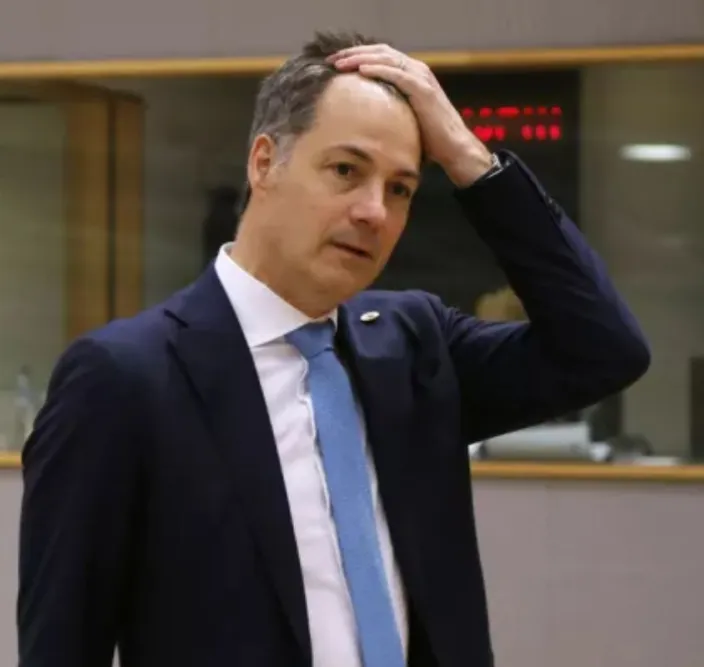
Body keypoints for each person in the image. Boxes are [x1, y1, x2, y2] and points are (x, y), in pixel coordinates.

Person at [17, 32, 649, 667]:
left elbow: (603, 348)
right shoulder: (126, 379)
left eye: (400, 189)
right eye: (346, 170)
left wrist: (469, 158)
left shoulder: (414, 347)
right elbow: (63, 642)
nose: (374, 211)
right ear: (264, 163)